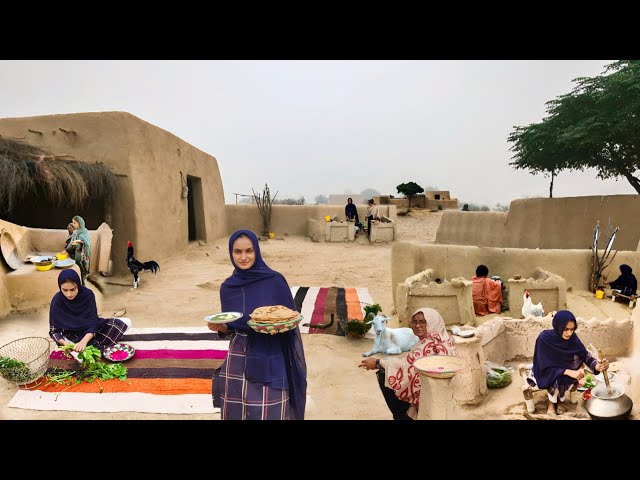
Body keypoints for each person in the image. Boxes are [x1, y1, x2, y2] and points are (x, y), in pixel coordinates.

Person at [208, 229, 307, 420]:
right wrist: (222, 328)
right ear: (231, 253)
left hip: (271, 354)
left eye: (249, 251)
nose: (243, 257)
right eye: (237, 252)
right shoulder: (228, 287)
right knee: (236, 409)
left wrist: (276, 328)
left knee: (269, 410)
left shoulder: (275, 281)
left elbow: (288, 319)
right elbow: (233, 324)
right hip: (238, 358)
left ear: (257, 251)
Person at [359, 308, 458, 420]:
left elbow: (409, 367)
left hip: (429, 395)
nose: (417, 325)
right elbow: (408, 360)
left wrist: (378, 363)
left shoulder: (428, 345)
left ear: (432, 322)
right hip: (441, 393)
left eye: (422, 322)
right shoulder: (443, 339)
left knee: (384, 375)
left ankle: (402, 416)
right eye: (414, 322)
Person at [530, 310, 609, 416]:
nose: (569, 333)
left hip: (562, 369)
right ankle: (551, 404)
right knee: (557, 377)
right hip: (545, 370)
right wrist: (568, 371)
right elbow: (543, 365)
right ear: (558, 326)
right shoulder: (544, 339)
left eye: (572, 329)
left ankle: (558, 400)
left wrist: (597, 366)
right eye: (565, 329)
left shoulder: (573, 338)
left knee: (569, 377)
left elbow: (584, 355)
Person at [49, 269, 132, 353]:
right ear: (60, 288)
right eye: (65, 290)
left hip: (88, 332)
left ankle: (85, 345)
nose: (69, 294)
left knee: (127, 322)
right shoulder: (57, 301)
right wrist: (66, 344)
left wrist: (83, 342)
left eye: (72, 289)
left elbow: (93, 322)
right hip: (69, 335)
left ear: (78, 285)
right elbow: (54, 331)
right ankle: (80, 348)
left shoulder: (87, 295)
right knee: (71, 348)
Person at [68, 215, 91, 284]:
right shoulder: (75, 232)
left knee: (83, 267)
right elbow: (72, 242)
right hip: (77, 253)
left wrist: (80, 241)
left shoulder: (85, 231)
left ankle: (83, 283)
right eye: (73, 223)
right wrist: (66, 250)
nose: (73, 224)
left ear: (80, 223)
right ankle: (79, 282)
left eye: (75, 223)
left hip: (84, 253)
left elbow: (87, 243)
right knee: (77, 265)